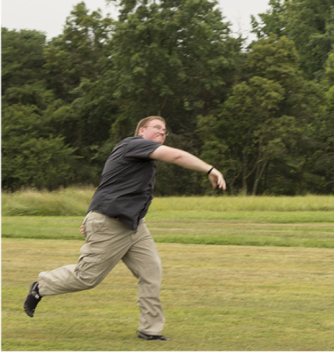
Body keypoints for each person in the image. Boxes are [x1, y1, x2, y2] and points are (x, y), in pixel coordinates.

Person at [23, 116, 226, 341]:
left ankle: (150, 330)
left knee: (151, 271)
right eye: (157, 128)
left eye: (165, 130)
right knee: (87, 277)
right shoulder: (133, 145)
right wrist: (210, 170)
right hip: (111, 224)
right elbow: (176, 155)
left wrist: (91, 213)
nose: (162, 133)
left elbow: (109, 184)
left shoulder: (143, 160)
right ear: (141, 131)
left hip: (134, 225)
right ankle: (41, 286)